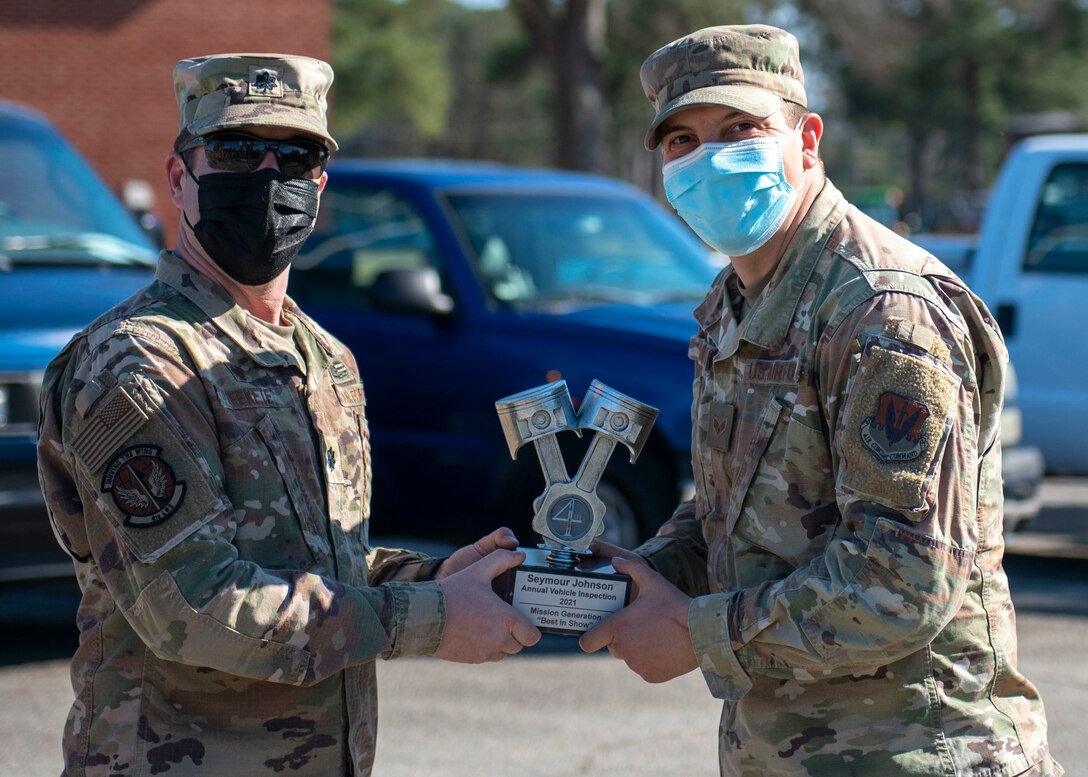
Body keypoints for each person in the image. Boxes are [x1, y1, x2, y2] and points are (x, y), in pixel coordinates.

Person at [36, 53, 540, 776]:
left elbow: (316, 563)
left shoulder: (322, 356)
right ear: (181, 179)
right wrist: (430, 619)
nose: (270, 177)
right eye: (239, 152)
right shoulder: (136, 362)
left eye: (298, 156)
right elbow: (195, 604)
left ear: (320, 187)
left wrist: (434, 577)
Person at [579, 24, 1061, 776]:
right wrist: (625, 577)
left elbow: (905, 577)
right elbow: (738, 507)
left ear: (806, 138)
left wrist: (699, 633)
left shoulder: (882, 310)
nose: (709, 159)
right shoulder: (736, 303)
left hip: (918, 752)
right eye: (682, 142)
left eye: (740, 129)